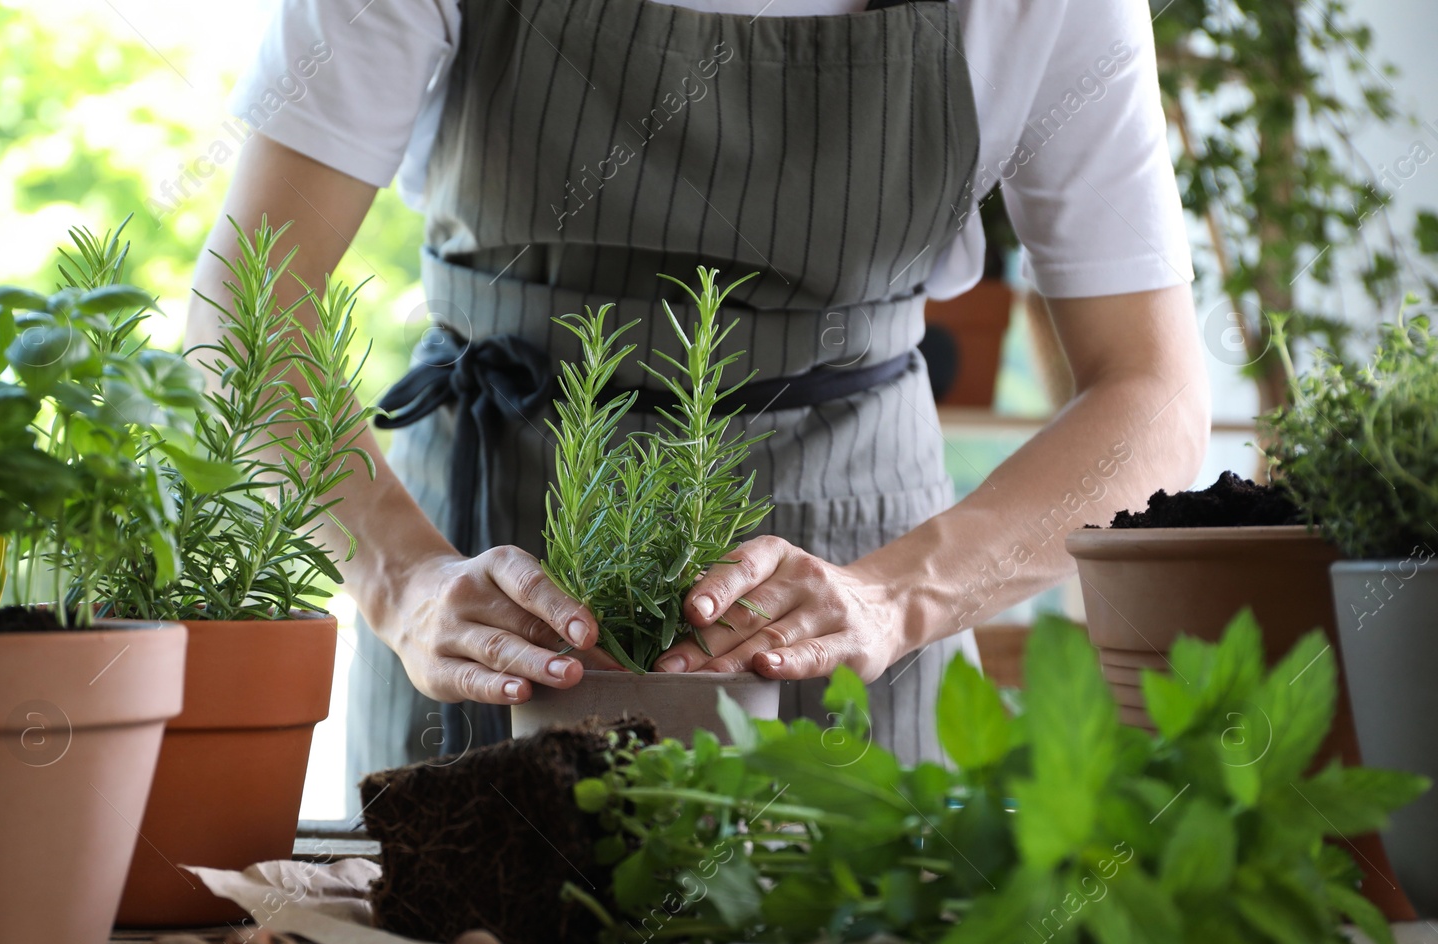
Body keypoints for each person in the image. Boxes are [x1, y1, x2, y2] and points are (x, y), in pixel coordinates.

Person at [190, 0, 1210, 796]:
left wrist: (898, 596)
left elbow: (1152, 395)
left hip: (858, 596)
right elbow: (242, 306)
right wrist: (402, 582)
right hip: (493, 600)